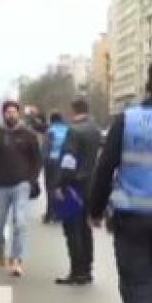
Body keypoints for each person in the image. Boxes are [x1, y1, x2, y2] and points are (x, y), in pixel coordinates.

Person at [89, 63, 152, 303]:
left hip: (133, 221)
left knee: (139, 290)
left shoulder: (127, 120)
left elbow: (105, 168)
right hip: (134, 221)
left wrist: (95, 210)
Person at [0, 100, 42, 277]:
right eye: (8, 112)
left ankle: (17, 259)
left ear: (18, 114)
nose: (11, 115)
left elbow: (37, 160)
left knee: (20, 222)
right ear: (3, 114)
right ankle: (0, 252)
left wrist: (31, 180)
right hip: (0, 185)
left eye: (14, 112)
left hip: (21, 184)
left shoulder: (28, 135)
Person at [56, 99, 100, 286]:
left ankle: (76, 271)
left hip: (73, 185)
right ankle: (87, 270)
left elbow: (68, 160)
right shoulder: (95, 129)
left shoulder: (73, 131)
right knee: (85, 229)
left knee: (72, 230)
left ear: (73, 111)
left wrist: (60, 184)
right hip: (91, 184)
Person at [44, 112, 70, 224]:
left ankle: (50, 214)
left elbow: (46, 148)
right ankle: (61, 214)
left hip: (53, 161)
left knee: (51, 188)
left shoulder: (51, 130)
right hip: (66, 162)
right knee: (62, 187)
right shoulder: (68, 129)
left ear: (51, 120)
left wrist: (43, 162)